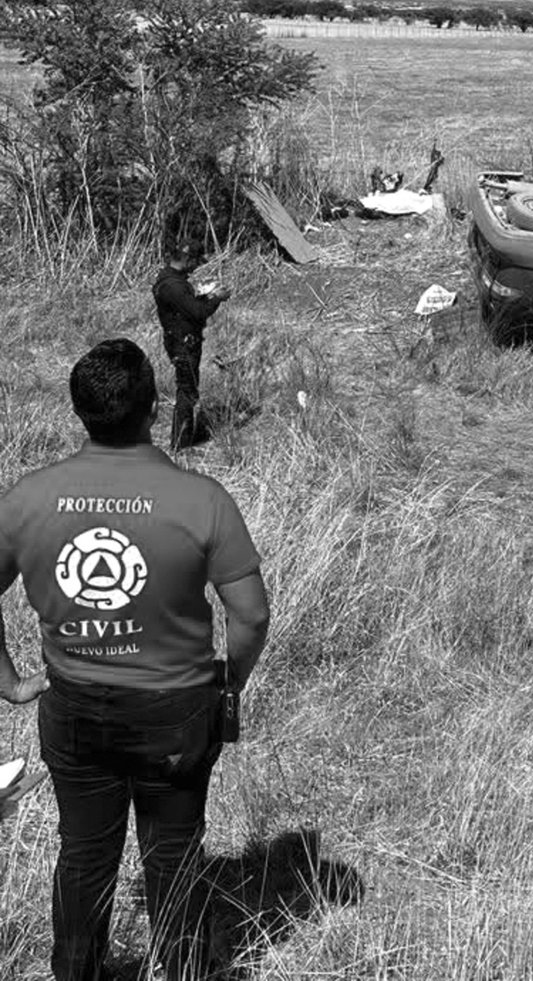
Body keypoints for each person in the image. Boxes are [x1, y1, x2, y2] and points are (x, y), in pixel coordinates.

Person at [0, 338, 270, 981]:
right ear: (155, 407)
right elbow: (251, 615)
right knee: (174, 859)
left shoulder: (28, 499)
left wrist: (9, 683)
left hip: (72, 709)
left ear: (80, 413)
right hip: (176, 712)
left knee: (84, 857)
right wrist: (228, 680)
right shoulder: (202, 499)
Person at [153, 240, 231, 452]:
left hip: (182, 341)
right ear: (187, 259)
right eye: (195, 262)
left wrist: (206, 296)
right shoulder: (173, 286)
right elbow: (197, 312)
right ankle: (180, 445)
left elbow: (187, 308)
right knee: (187, 393)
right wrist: (215, 298)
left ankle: (182, 440)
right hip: (183, 345)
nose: (196, 267)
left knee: (188, 390)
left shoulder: (172, 280)